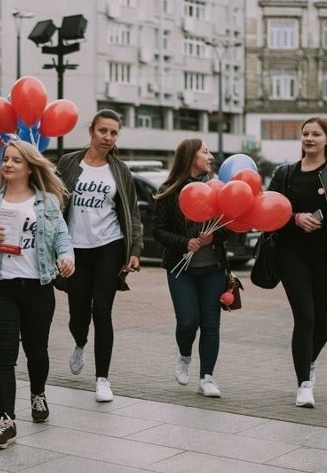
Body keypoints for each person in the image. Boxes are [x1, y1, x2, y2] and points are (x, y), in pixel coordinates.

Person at [0, 140, 75, 449]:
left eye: (16, 160)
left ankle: (38, 393)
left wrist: (67, 258)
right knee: (3, 356)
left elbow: (62, 238)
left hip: (38, 287)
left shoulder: (47, 202)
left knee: (37, 352)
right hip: (1, 287)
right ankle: (6, 422)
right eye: (6, 159)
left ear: (30, 166)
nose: (9, 164)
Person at [267, 115, 327, 408]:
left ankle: (309, 360)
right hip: (291, 254)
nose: (309, 138)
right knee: (305, 318)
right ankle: (304, 384)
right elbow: (268, 212)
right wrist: (295, 218)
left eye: (316, 134)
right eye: (305, 133)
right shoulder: (285, 174)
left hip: (326, 256)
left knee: (324, 323)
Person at [57, 109, 143, 402]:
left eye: (114, 133)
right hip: (75, 249)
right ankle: (80, 341)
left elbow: (131, 212)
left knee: (102, 312)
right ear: (91, 131)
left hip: (109, 246)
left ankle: (103, 378)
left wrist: (135, 250)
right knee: (78, 314)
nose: (108, 137)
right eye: (103, 131)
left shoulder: (119, 170)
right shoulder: (69, 162)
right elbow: (54, 201)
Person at [152, 139, 229, 398]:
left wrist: (213, 238)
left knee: (210, 324)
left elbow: (231, 225)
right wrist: (186, 242)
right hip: (180, 268)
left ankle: (207, 377)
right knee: (187, 321)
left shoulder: (218, 188)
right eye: (205, 152)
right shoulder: (169, 190)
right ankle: (184, 355)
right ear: (190, 156)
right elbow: (158, 231)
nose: (210, 156)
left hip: (213, 268)